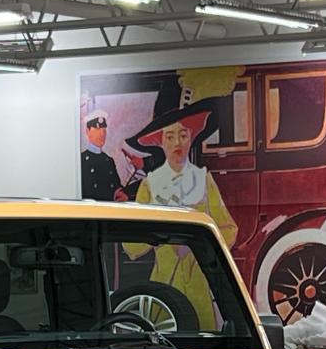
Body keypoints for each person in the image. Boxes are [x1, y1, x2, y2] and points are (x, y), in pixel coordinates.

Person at [124, 96, 238, 328]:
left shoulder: (204, 180)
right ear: (160, 142)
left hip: (199, 284)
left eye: (183, 135)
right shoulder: (150, 185)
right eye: (170, 136)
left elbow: (229, 229)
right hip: (163, 288)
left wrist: (201, 244)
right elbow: (131, 245)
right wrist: (161, 239)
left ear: (191, 139)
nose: (177, 142)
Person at [80, 109, 126, 202]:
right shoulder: (81, 160)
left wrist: (120, 193)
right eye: (97, 129)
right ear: (87, 131)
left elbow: (116, 186)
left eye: (104, 129)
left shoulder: (109, 160)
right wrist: (111, 195)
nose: (102, 134)